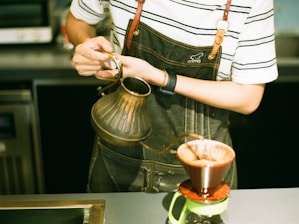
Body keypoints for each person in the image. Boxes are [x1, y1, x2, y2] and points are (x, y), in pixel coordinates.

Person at [65, 0, 278, 193]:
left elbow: (248, 97)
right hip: (117, 150)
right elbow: (78, 20)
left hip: (203, 163)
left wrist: (159, 77)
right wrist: (85, 44)